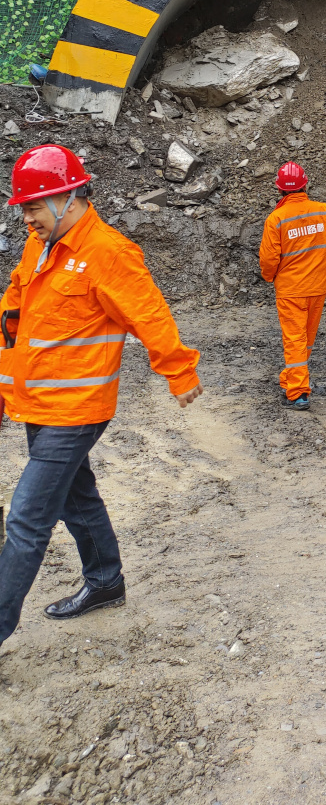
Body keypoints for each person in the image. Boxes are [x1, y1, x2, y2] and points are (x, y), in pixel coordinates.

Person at [0, 144, 202, 648]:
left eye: (33, 206)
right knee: (75, 493)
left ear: (68, 197)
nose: (27, 217)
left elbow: (148, 314)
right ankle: (106, 580)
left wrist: (178, 371)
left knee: (26, 519)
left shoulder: (108, 253)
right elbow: (14, 315)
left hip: (78, 408)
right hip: (41, 402)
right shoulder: (39, 244)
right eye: (23, 208)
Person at [259, 161, 326, 411]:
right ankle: (291, 379)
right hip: (317, 288)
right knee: (306, 339)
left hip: (291, 290)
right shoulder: (324, 211)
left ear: (279, 190)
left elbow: (269, 259)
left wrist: (270, 277)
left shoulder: (276, 219)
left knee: (294, 340)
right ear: (305, 184)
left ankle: (297, 392)